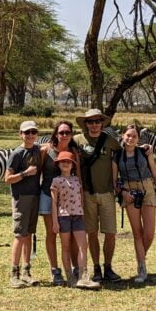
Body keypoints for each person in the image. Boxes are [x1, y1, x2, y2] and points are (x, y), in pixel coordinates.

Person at [112, 125, 156, 283]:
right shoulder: (117, 155)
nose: (130, 138)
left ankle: (141, 257)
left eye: (134, 136)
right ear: (123, 136)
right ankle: (141, 267)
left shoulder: (144, 152)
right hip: (129, 192)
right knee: (137, 232)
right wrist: (123, 193)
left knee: (149, 233)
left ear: (138, 138)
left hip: (147, 189)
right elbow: (114, 181)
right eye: (128, 135)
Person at [73, 108, 122, 283]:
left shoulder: (111, 141)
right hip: (87, 193)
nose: (94, 125)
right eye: (90, 122)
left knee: (110, 233)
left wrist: (144, 148)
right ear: (85, 124)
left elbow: (125, 153)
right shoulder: (77, 140)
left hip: (107, 193)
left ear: (102, 123)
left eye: (97, 121)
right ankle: (96, 268)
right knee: (91, 233)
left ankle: (108, 267)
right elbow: (60, 147)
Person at [39, 120, 81, 286]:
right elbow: (38, 174)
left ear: (71, 135)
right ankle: (55, 270)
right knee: (51, 233)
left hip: (69, 199)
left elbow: (78, 177)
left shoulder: (73, 152)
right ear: (56, 134)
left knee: (69, 234)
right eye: (61, 132)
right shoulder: (45, 150)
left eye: (67, 133)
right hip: (47, 196)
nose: (64, 135)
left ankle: (75, 268)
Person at [50, 150, 100, 290]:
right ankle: (70, 277)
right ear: (58, 164)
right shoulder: (56, 181)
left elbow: (81, 199)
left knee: (83, 245)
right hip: (63, 217)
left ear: (72, 165)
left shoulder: (77, 180)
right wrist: (55, 221)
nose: (65, 164)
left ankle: (83, 276)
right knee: (65, 247)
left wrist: (83, 214)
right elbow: (54, 203)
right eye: (63, 162)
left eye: (68, 162)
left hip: (78, 216)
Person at [4, 119, 43, 288]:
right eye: (27, 132)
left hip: (35, 196)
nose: (30, 135)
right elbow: (7, 179)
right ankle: (14, 274)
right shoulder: (17, 154)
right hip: (21, 198)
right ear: (21, 134)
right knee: (20, 235)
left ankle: (27, 272)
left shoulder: (37, 150)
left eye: (33, 132)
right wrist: (25, 173)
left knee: (28, 235)